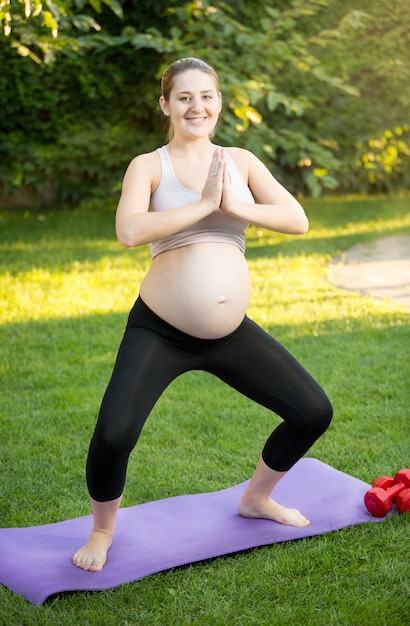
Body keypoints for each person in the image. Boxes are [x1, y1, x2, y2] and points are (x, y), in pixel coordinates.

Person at [72, 57, 333, 572]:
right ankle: (102, 531)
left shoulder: (240, 160)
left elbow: (296, 219)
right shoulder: (148, 166)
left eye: (207, 96)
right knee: (114, 435)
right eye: (185, 97)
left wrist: (236, 206)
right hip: (160, 330)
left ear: (218, 102)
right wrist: (204, 203)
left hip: (229, 334)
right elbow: (129, 231)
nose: (198, 106)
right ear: (166, 105)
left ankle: (256, 498)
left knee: (312, 412)